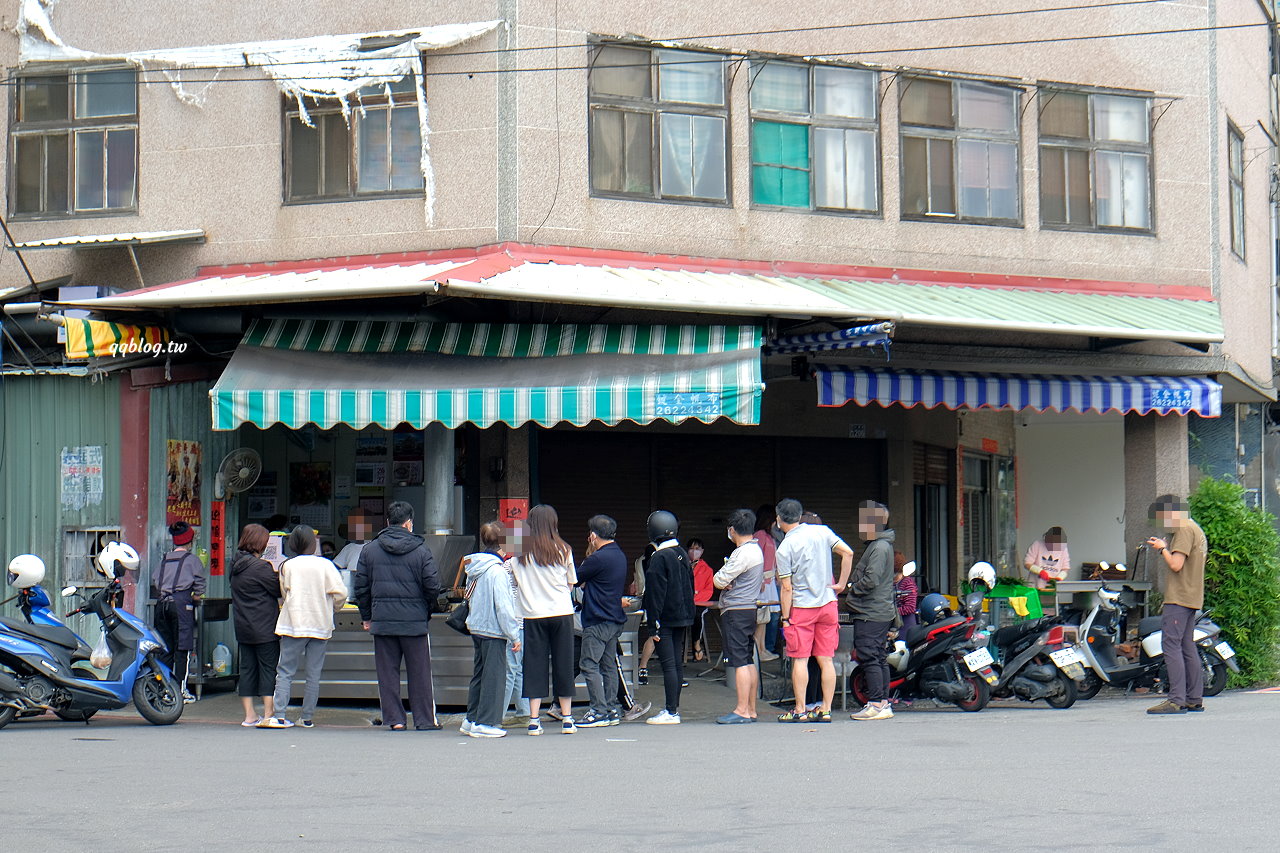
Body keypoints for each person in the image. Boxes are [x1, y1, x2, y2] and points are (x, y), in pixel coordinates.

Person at [353, 501, 443, 731]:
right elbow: (433, 586)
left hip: (382, 621)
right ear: (409, 523)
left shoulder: (370, 549)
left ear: (387, 522)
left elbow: (361, 587)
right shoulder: (421, 550)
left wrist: (367, 616)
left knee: (387, 673)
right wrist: (426, 610)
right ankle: (424, 720)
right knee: (420, 673)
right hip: (414, 622)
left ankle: (395, 720)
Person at [773, 498, 854, 724]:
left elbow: (786, 587)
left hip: (801, 607)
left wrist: (786, 617)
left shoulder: (784, 548)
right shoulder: (822, 532)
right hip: (828, 604)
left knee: (800, 660)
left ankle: (800, 710)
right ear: (799, 516)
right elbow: (848, 553)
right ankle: (825, 709)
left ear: (779, 519)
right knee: (825, 659)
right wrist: (840, 584)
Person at [261, 526, 347, 729]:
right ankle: (306, 718)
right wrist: (332, 608)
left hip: (293, 623)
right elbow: (341, 593)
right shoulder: (325, 565)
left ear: (292, 545)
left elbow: (284, 592)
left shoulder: (287, 565)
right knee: (313, 674)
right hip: (320, 624)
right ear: (313, 543)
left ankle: (280, 715)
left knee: (285, 671)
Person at [510, 504, 578, 736]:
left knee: (534, 666)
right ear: (553, 523)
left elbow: (513, 581)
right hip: (561, 612)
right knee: (564, 664)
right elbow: (571, 584)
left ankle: (533, 720)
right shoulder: (564, 549)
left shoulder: (519, 552)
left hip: (532, 615)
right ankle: (567, 719)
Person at [1145, 495, 1208, 715]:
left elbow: (1176, 564)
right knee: (1187, 646)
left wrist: (1162, 548)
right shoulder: (1196, 529)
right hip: (1192, 596)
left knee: (1171, 645)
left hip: (1179, 597)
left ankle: (1176, 700)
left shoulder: (1183, 530)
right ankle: (1194, 699)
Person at [460, 522, 522, 738]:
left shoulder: (475, 566)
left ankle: (471, 719)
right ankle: (486, 723)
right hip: (493, 629)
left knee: (479, 675)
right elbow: (504, 608)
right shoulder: (497, 571)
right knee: (494, 677)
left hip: (476, 626)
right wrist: (514, 635)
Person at [642, 510, 695, 725]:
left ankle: (671, 712)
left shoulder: (658, 557)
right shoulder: (681, 553)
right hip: (683, 617)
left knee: (669, 665)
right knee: (677, 665)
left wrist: (652, 624)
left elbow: (655, 594)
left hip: (664, 619)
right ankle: (674, 709)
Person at [576, 515, 630, 728]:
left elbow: (574, 579)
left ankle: (598, 711)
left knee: (588, 664)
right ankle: (611, 710)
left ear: (593, 536)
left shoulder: (597, 558)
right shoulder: (619, 555)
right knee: (608, 666)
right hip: (614, 620)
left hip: (597, 620)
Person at [848, 501, 898, 721]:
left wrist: (852, 588)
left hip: (871, 611)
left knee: (870, 657)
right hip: (879, 610)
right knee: (879, 657)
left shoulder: (879, 547)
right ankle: (883, 703)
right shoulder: (881, 545)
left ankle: (876, 704)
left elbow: (871, 580)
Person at [714, 508, 765, 724]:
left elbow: (719, 580)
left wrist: (725, 581)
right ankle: (751, 709)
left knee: (739, 662)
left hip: (736, 610)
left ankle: (742, 709)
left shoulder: (742, 553)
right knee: (747, 659)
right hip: (749, 609)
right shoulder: (756, 550)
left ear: (732, 530)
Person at [228, 523, 282, 727]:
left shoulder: (234, 564)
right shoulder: (260, 567)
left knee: (247, 669)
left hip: (243, 625)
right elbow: (277, 589)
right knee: (268, 669)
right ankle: (268, 715)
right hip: (264, 626)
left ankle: (249, 715)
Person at [153, 521, 206, 703]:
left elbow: (155, 581)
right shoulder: (192, 560)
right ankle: (180, 691)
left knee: (165, 649)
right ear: (189, 541)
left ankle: (165, 690)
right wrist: (196, 595)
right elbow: (199, 586)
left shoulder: (164, 558)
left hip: (161, 605)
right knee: (181, 648)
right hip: (181, 605)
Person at [753, 505, 780, 662]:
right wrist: (759, 579)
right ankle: (758, 649)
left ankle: (763, 648)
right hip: (762, 580)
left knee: (766, 617)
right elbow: (756, 559)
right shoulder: (760, 535)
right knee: (761, 616)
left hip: (770, 580)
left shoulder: (769, 537)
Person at [687, 539, 713, 663]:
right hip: (684, 602)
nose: (694, 551)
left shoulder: (707, 569)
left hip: (699, 603)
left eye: (697, 549)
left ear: (702, 551)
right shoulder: (682, 565)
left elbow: (709, 591)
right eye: (691, 548)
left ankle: (696, 643)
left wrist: (695, 598)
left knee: (698, 616)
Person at [893, 552, 919, 634]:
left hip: (905, 626)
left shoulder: (908, 583)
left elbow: (910, 607)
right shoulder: (886, 583)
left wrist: (890, 613)